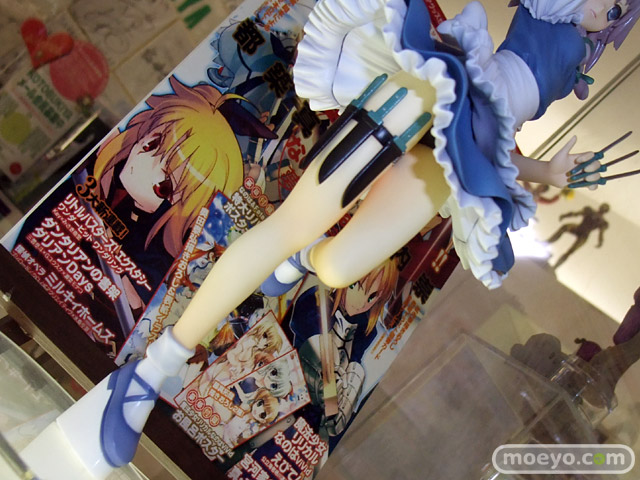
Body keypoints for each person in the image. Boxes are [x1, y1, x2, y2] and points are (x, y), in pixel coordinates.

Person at [54, 0, 640, 472]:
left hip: (469, 146)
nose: (607, 13)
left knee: (337, 268)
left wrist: (548, 172)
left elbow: (504, 123)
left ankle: (301, 260)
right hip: (432, 92)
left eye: (618, 11)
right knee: (286, 227)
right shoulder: (545, 14)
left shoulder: (576, 52)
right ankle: (150, 371)